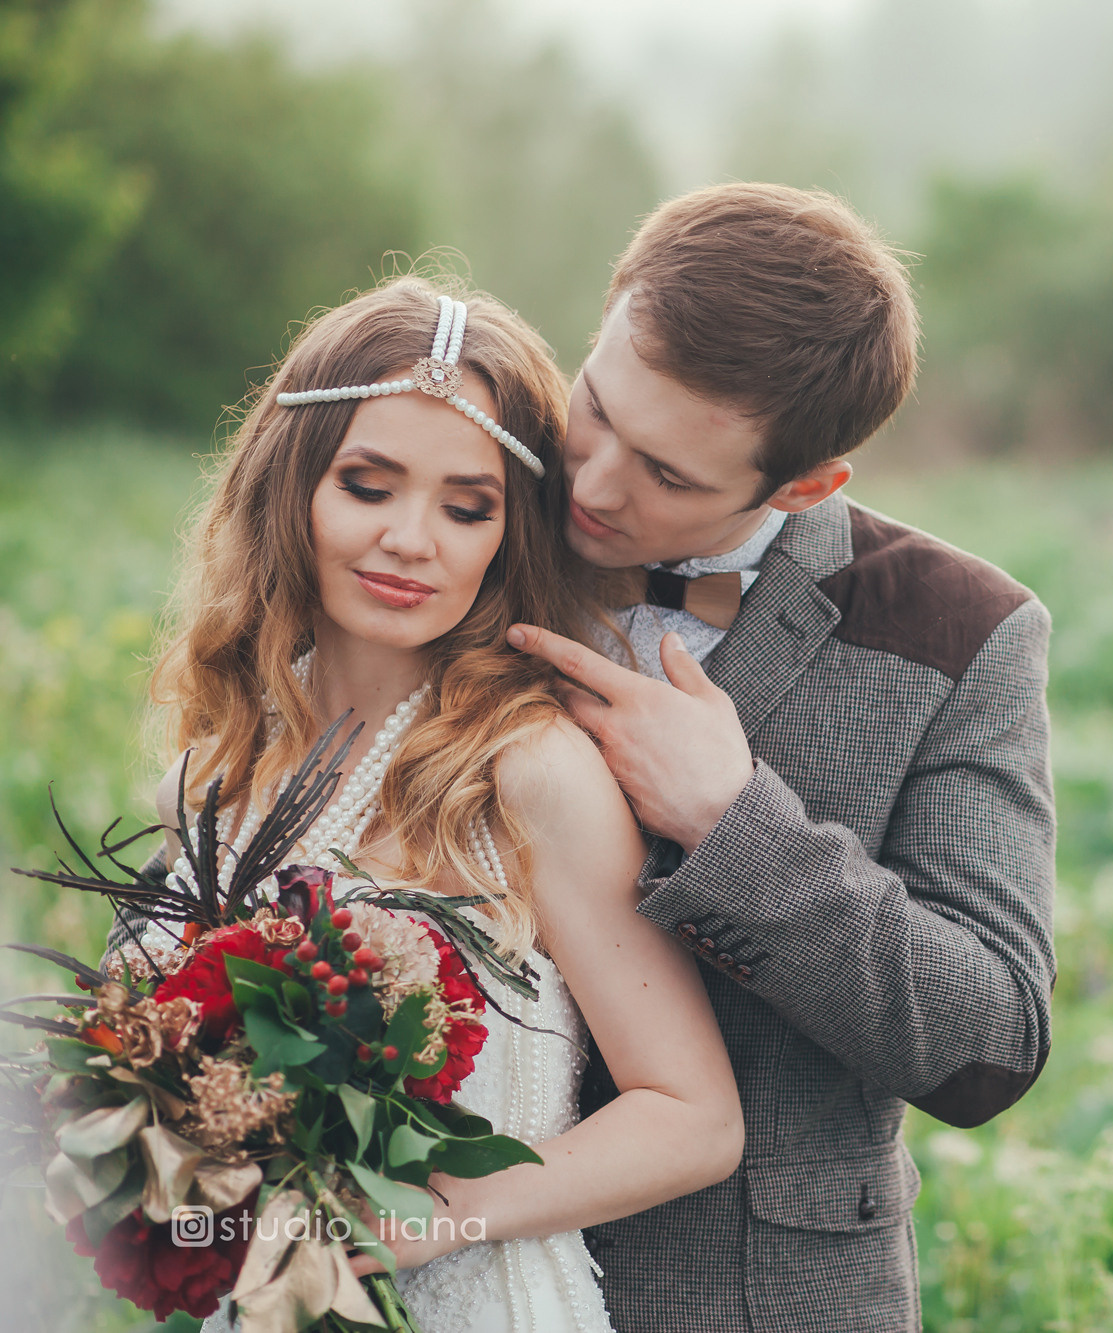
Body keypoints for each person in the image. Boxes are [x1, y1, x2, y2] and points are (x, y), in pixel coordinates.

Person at [133, 276, 743, 1331]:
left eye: (468, 507)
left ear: (507, 536)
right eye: (367, 487)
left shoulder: (526, 768)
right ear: (293, 490)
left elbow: (693, 1119)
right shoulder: (218, 763)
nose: (414, 540)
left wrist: (427, 1217)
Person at [504, 183, 1058, 1331]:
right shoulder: (458, 525)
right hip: (427, 1259)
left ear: (805, 487)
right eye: (596, 408)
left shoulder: (963, 634)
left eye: (668, 476)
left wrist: (736, 824)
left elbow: (990, 1045)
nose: (594, 485)